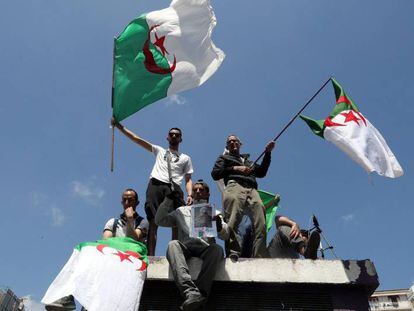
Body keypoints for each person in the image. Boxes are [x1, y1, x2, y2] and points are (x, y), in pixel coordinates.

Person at [45, 188, 148, 311]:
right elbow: (105, 242)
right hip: (113, 254)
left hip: (131, 257)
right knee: (84, 249)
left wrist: (130, 220)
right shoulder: (112, 222)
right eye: (124, 200)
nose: (127, 203)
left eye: (130, 200)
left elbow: (134, 239)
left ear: (136, 203)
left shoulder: (143, 222)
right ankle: (67, 296)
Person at [112, 118, 194, 256]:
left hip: (174, 189)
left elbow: (188, 179)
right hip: (156, 184)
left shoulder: (185, 158)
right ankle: (151, 257)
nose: (174, 136)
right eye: (171, 134)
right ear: (167, 137)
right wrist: (119, 126)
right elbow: (137, 139)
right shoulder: (159, 150)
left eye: (177, 135)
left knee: (177, 222)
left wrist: (190, 194)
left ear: (181, 139)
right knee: (152, 221)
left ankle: (175, 255)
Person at [155, 180, 228, 311]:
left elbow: (226, 235)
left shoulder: (215, 212)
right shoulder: (181, 211)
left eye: (201, 190)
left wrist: (219, 227)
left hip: (206, 247)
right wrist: (168, 200)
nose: (198, 192)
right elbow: (160, 220)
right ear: (192, 194)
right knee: (172, 245)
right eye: (195, 190)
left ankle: (199, 294)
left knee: (217, 249)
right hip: (186, 247)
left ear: (208, 193)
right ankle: (189, 291)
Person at [211, 135, 275, 260]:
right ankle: (233, 252)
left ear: (240, 144)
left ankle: (260, 254)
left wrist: (267, 153)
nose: (233, 142)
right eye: (230, 141)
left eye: (235, 141)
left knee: (260, 220)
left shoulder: (249, 162)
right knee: (233, 218)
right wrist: (235, 168)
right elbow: (215, 173)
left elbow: (262, 172)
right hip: (234, 185)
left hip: (252, 188)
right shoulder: (224, 157)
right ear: (227, 146)